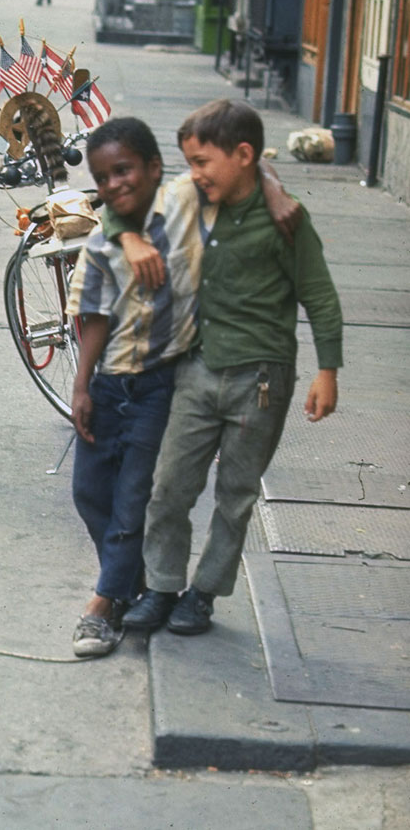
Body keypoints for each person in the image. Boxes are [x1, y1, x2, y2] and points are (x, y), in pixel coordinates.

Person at [66, 115, 300, 658]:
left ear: (154, 169)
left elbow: (245, 159)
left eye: (125, 170)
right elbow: (93, 316)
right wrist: (81, 386)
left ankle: (104, 603)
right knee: (88, 491)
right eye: (103, 178)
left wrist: (276, 190)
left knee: (134, 498)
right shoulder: (103, 241)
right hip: (108, 384)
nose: (114, 185)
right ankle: (133, 583)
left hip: (160, 385)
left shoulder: (184, 202)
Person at [119, 99, 343, 636]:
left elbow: (321, 296)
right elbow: (122, 204)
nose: (193, 173)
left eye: (201, 161)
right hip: (198, 370)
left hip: (260, 381)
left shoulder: (285, 221)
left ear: (243, 155)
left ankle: (203, 594)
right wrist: (127, 234)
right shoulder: (194, 200)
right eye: (189, 163)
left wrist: (328, 371)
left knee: (236, 496)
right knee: (170, 486)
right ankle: (161, 586)